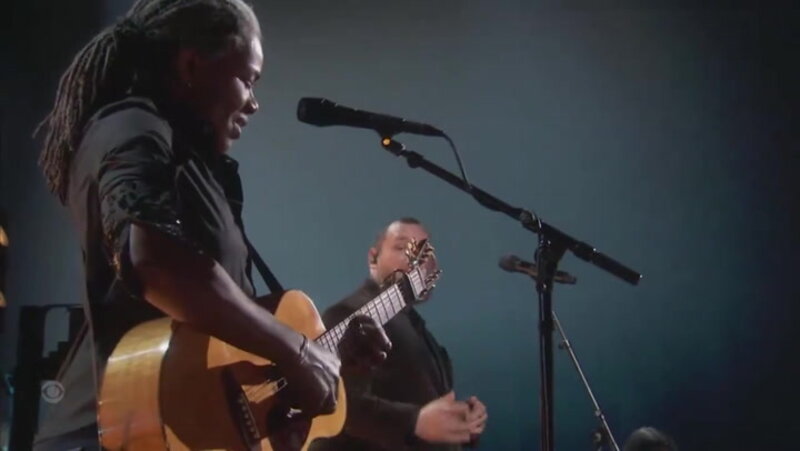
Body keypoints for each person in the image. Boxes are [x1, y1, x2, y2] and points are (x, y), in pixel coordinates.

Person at [32, 1, 388, 449]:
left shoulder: (185, 158)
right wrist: (294, 350)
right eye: (248, 79)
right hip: (114, 433)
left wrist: (323, 350)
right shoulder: (132, 127)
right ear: (191, 65)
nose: (254, 103)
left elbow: (217, 338)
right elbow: (156, 263)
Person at [310, 218, 488, 451]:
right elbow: (334, 404)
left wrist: (461, 422)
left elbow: (426, 409)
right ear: (373, 259)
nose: (415, 261)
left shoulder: (418, 329)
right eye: (402, 247)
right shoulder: (349, 314)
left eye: (423, 252)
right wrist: (413, 422)